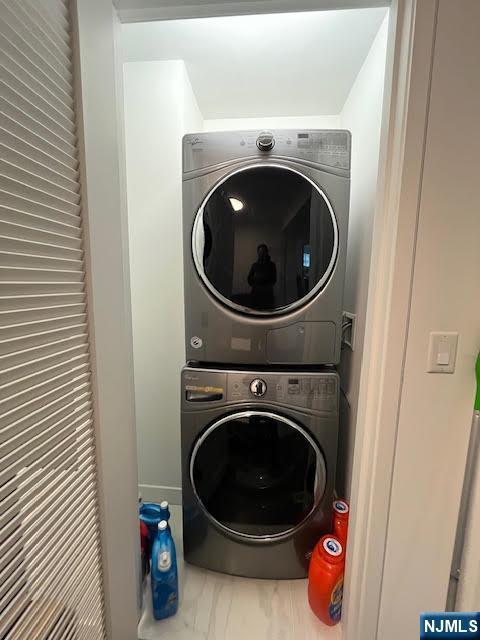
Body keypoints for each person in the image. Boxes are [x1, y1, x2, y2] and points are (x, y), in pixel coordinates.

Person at [247, 244, 277, 309]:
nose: (261, 254)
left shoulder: (271, 265)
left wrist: (262, 278)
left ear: (266, 252)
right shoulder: (255, 265)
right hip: (255, 295)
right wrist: (255, 278)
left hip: (267, 296)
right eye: (260, 252)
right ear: (258, 253)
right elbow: (249, 279)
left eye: (263, 252)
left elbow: (274, 280)